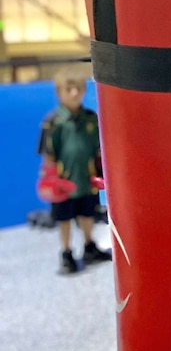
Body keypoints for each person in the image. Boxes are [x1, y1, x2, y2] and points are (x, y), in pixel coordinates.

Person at [37, 68, 111, 274]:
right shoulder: (53, 121)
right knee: (64, 219)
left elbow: (98, 147)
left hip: (86, 179)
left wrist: (99, 170)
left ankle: (89, 246)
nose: (74, 93)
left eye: (78, 89)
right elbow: (48, 153)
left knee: (88, 214)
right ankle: (66, 251)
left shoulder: (90, 118)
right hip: (64, 181)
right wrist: (49, 178)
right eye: (68, 89)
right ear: (59, 92)